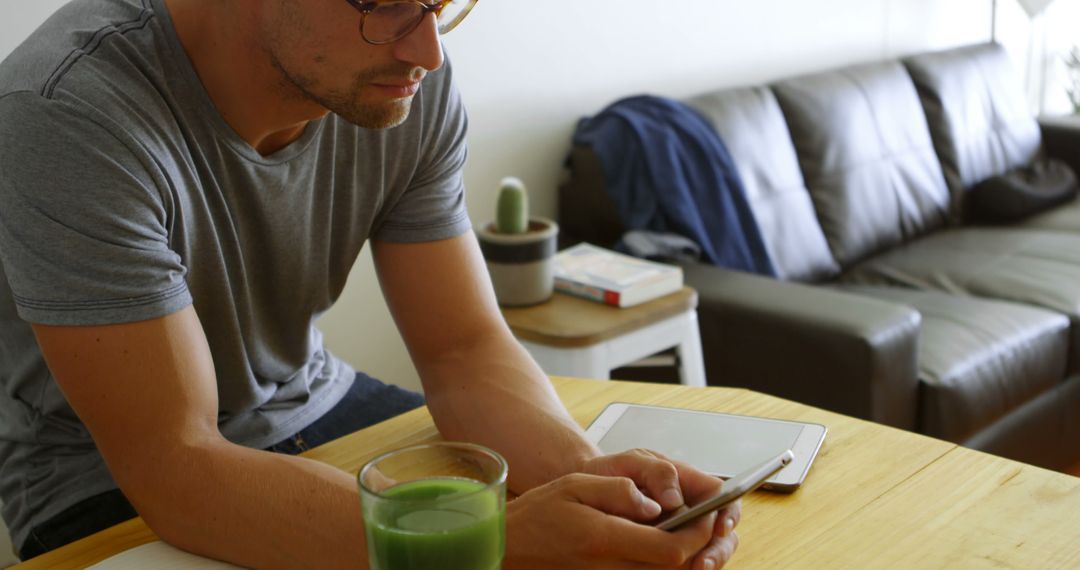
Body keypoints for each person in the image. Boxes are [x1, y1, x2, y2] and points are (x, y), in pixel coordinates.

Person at [0, 0, 741, 567]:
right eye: (383, 4)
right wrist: (497, 540)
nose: (428, 49)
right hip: (102, 481)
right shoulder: (67, 112)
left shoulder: (400, 82)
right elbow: (177, 466)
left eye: (440, 3)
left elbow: (464, 350)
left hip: (314, 400)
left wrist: (597, 490)